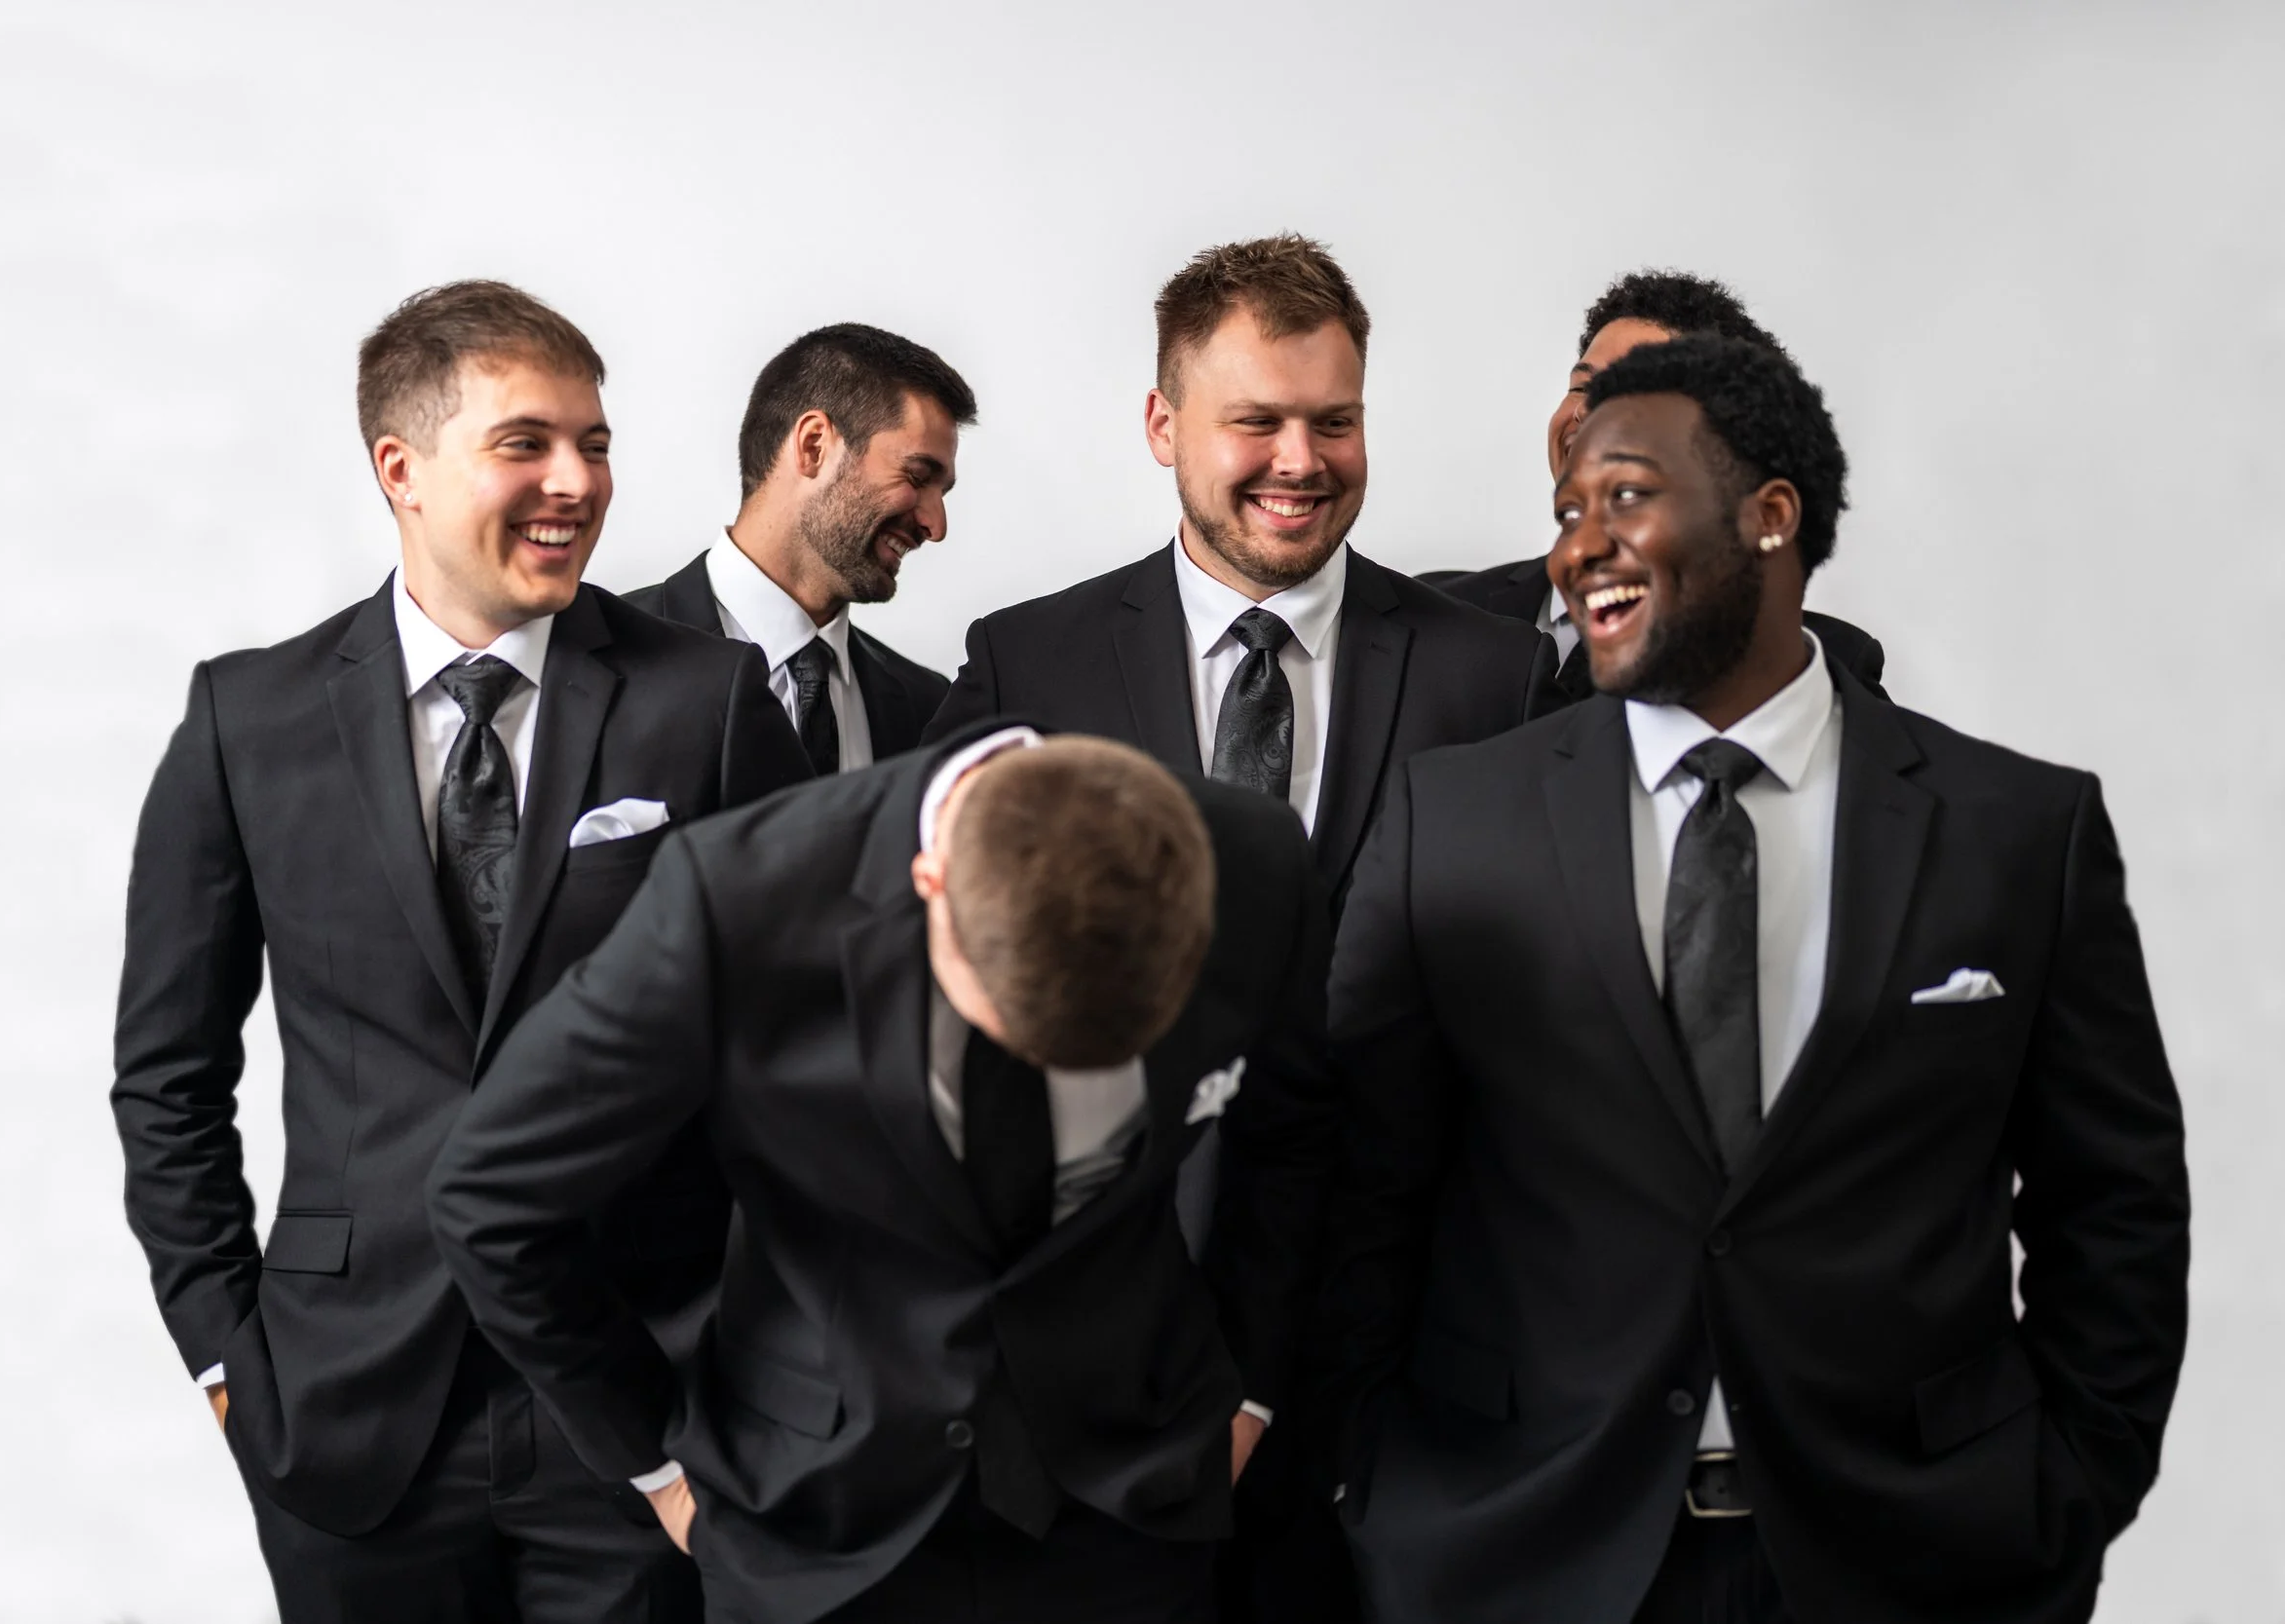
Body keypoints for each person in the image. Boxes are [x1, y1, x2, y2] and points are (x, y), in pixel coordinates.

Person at [1319, 334, 2188, 1622]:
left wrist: (2062, 1492)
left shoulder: (2018, 832)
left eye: (1624, 498)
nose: (1577, 550)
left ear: (1770, 515)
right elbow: (1353, 1186)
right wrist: (1379, 1491)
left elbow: (2114, 1206)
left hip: (1912, 1566)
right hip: (1522, 1560)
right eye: (1567, 512)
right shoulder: (1452, 818)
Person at [110, 281, 812, 1623]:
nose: (577, 482)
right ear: (401, 469)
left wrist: (761, 1373)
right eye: (525, 443)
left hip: (645, 1402)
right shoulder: (247, 719)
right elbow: (168, 1072)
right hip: (346, 1407)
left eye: (594, 443)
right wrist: (224, 1357)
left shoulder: (707, 701)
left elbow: (809, 1052)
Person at [428, 730, 1342, 1623]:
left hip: (1132, 1492)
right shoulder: (736, 899)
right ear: (928, 883)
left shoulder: (1255, 862)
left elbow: (1292, 1132)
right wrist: (655, 1464)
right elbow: (490, 1198)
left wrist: (1252, 1393)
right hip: (812, 1518)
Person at [927, 235, 1557, 915]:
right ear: (1163, 427)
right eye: (1258, 421)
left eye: (1335, 422)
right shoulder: (1025, 665)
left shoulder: (1497, 679)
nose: (1301, 461)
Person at [1423, 270, 1887, 699]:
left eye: (1629, 393)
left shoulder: (1822, 669)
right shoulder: (1428, 614)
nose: (1587, 412)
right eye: (1582, 387)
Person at [625, 323, 973, 773]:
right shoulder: (605, 659)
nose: (936, 526)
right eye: (917, 476)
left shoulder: (925, 707)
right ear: (814, 447)